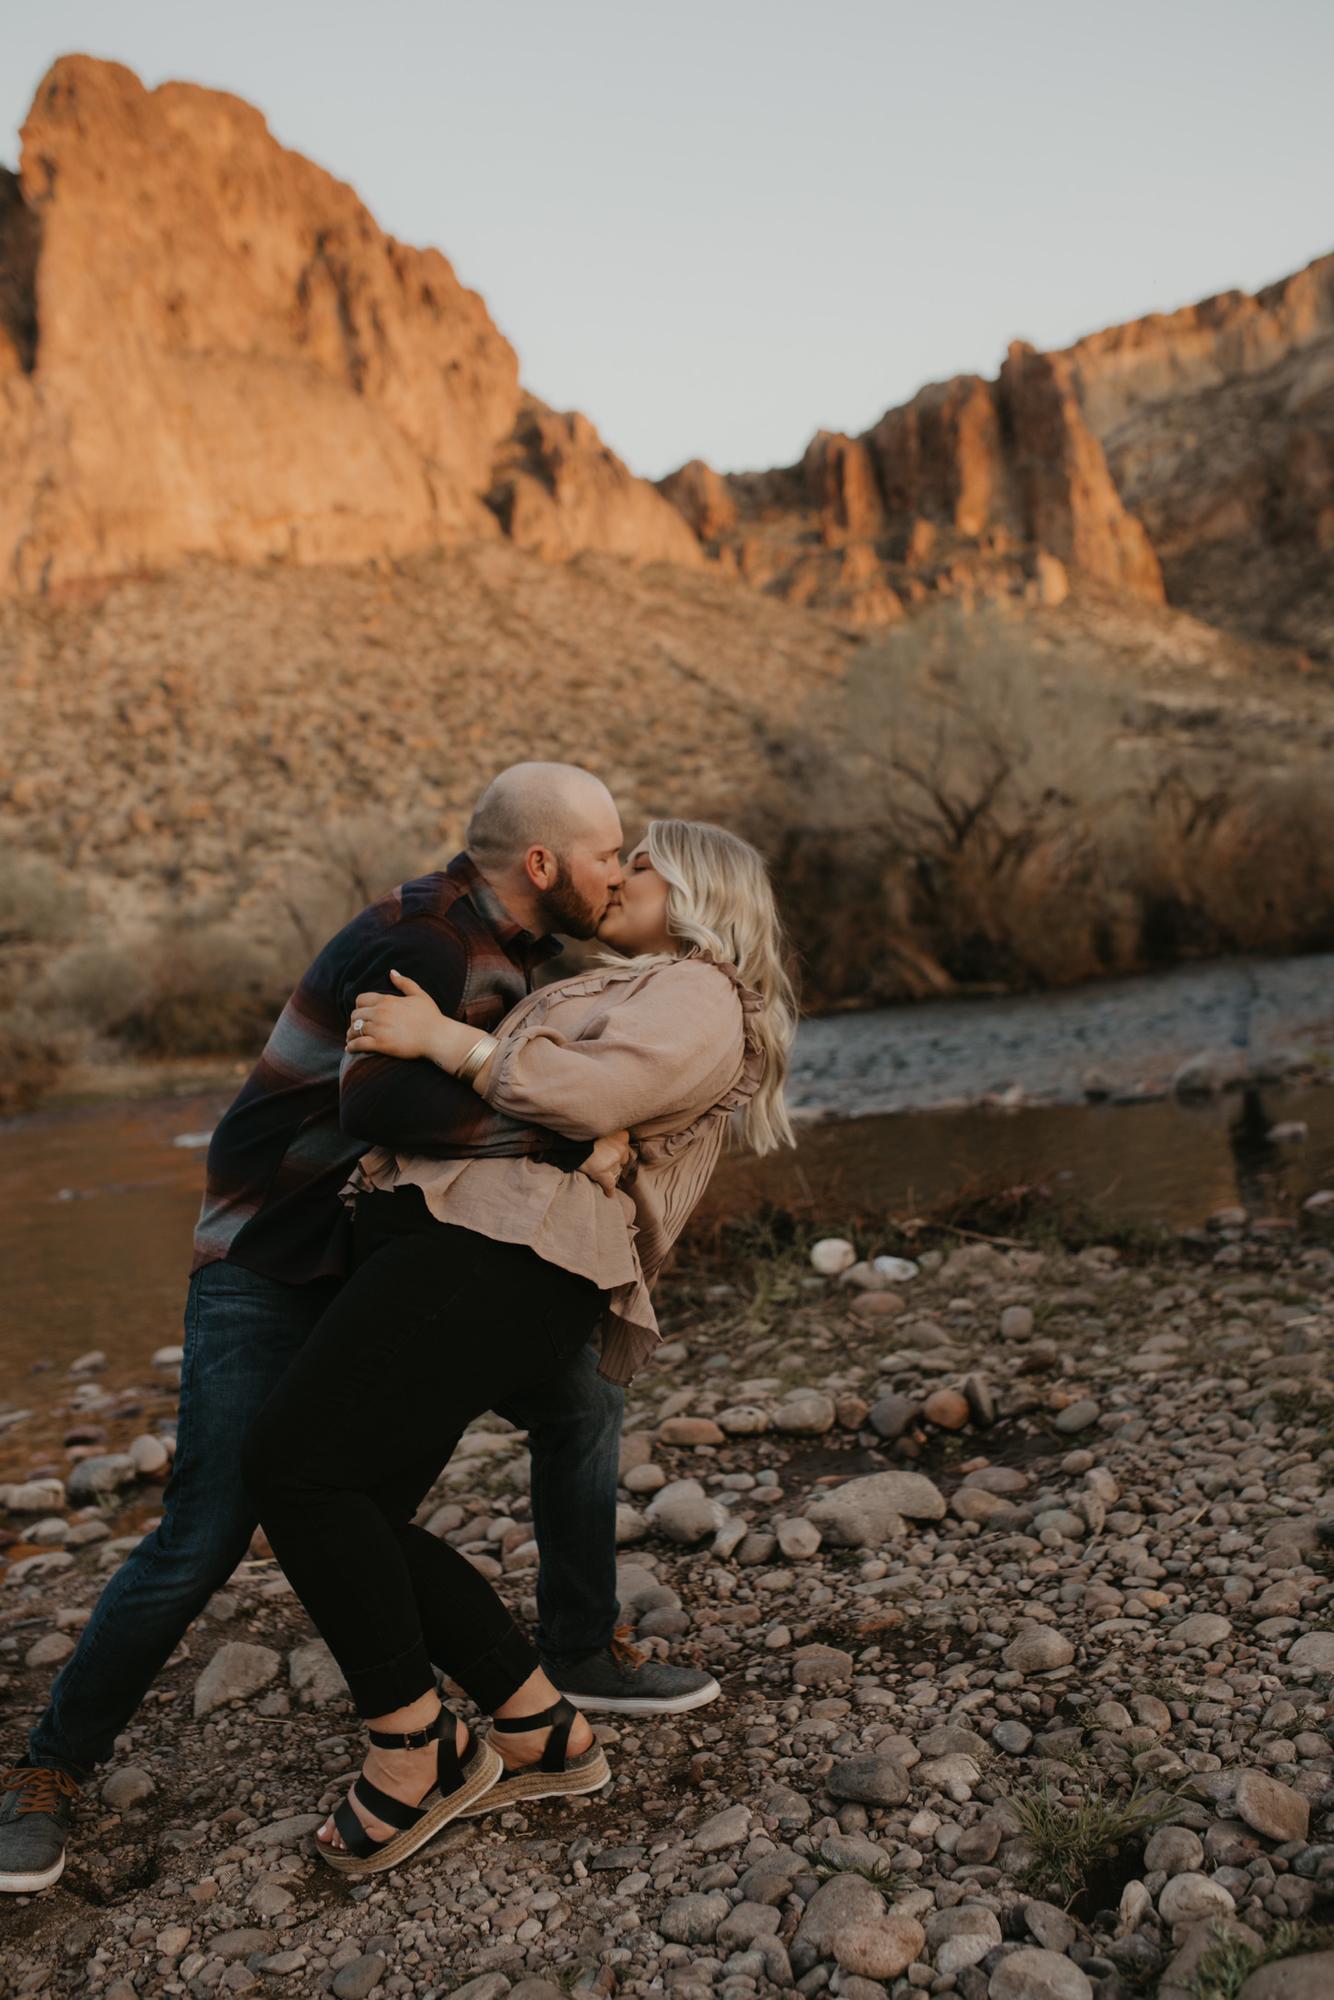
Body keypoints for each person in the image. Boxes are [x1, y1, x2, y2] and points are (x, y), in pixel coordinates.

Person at [0, 764, 714, 1897]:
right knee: (213, 1524)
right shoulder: (423, 939)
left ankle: (572, 1658)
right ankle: (51, 1771)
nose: (617, 872)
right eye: (603, 853)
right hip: (278, 1254)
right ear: (541, 864)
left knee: (579, 1399)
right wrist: (562, 1136)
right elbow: (376, 1100)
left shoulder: (531, 957)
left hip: (391, 1256)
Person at [242, 819, 797, 1873]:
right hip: (470, 1239)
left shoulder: (700, 992)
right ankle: (539, 1726)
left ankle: (415, 1750)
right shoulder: (621, 982)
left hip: (503, 1250)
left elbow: (584, 1096)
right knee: (350, 1504)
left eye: (641, 865)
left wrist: (444, 1041)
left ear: (697, 895)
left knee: (293, 1470)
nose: (619, 878)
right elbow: (569, 1110)